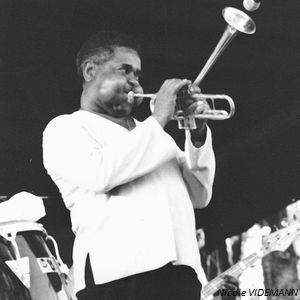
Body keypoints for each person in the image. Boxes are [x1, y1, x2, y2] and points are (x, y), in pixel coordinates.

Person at [42, 30, 216, 300]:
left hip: (180, 273)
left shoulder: (152, 135)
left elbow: (199, 195)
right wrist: (158, 118)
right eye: (125, 71)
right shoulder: (64, 128)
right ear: (90, 70)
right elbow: (100, 174)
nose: (135, 83)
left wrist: (197, 133)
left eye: (138, 75)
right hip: (117, 279)